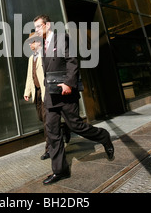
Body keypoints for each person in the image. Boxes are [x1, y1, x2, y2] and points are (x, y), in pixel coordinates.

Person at [33, 14, 115, 185]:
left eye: (39, 27)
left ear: (47, 25)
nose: (37, 30)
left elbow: (72, 61)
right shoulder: (43, 46)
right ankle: (60, 170)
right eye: (36, 28)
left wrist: (69, 83)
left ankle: (103, 136)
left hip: (64, 93)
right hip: (50, 96)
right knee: (53, 133)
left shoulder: (62, 38)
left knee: (76, 125)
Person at [23, 32, 50, 160]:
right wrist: (27, 92)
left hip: (46, 91)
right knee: (41, 117)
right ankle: (63, 128)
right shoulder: (31, 58)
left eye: (31, 41)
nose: (29, 44)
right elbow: (30, 76)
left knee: (46, 121)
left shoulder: (45, 55)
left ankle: (49, 149)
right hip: (36, 92)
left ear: (38, 42)